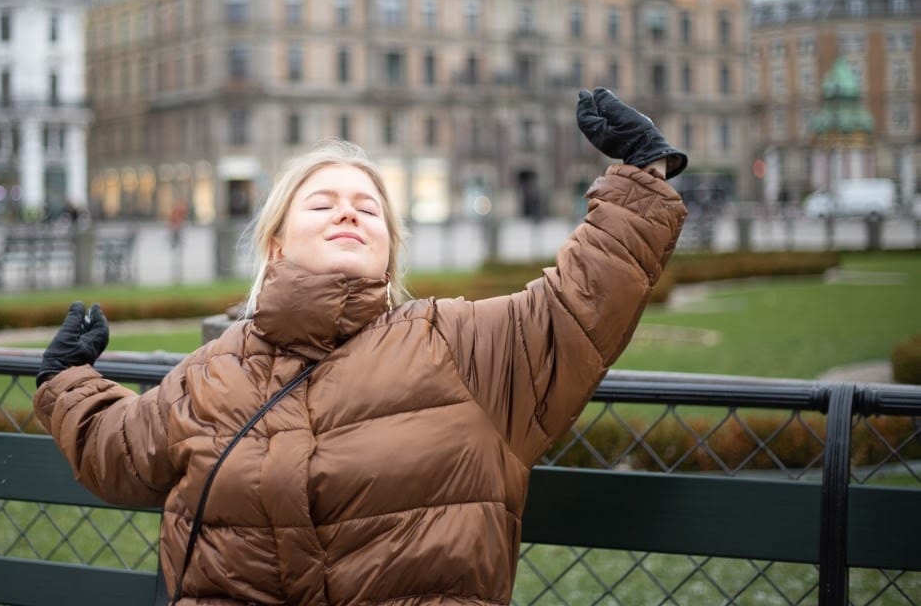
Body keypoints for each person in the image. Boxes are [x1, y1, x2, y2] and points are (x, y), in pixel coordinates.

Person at [34, 88, 688, 605]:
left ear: (387, 250)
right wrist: (68, 380)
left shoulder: (458, 343)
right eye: (322, 204)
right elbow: (119, 450)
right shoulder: (210, 372)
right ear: (276, 243)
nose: (349, 212)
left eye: (367, 208)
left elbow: (578, 307)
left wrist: (641, 177)